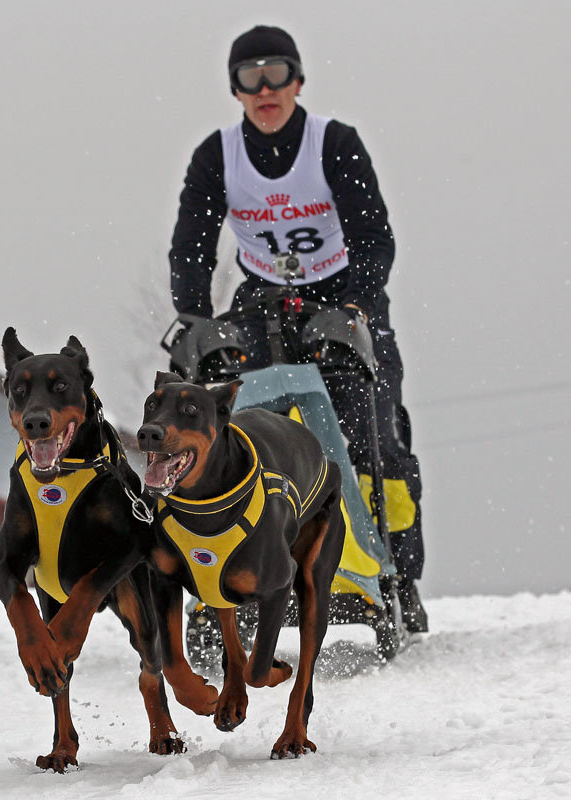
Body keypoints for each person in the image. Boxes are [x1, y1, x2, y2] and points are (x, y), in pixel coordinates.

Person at [168, 24, 427, 632]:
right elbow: (192, 247)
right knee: (242, 428)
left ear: (298, 80)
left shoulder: (332, 143)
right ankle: (241, 569)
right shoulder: (217, 156)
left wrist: (357, 306)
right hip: (261, 298)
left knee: (373, 436)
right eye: (249, 77)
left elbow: (372, 235)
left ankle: (394, 576)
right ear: (235, 89)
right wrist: (196, 320)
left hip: (342, 294)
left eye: (276, 73)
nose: (265, 89)